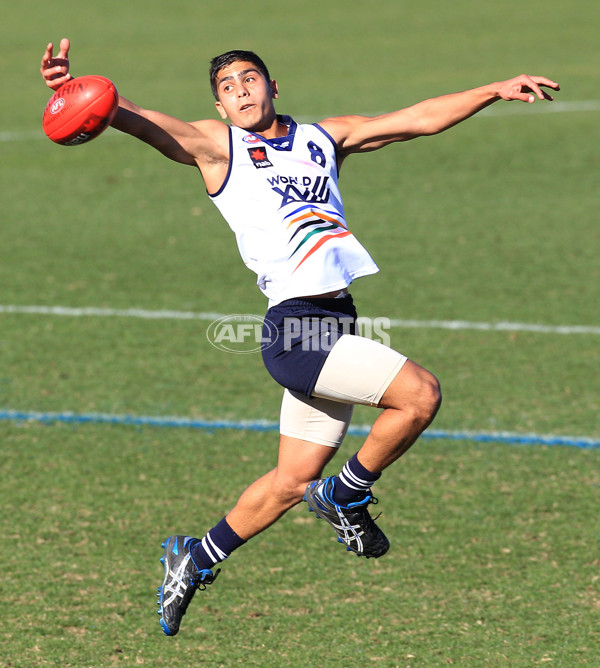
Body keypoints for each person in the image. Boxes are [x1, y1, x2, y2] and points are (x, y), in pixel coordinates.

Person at [41, 38, 559, 636]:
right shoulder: (219, 147)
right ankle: (349, 494)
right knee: (419, 395)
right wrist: (75, 93)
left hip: (336, 320)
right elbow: (135, 118)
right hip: (295, 332)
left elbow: (413, 120)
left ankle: (196, 557)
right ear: (220, 105)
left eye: (249, 78)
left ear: (273, 86)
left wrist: (492, 89)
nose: (239, 89)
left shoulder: (323, 138)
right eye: (227, 87)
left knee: (289, 483)